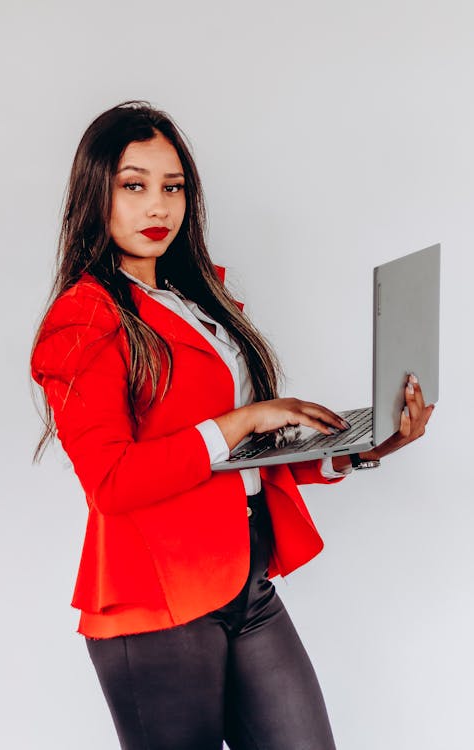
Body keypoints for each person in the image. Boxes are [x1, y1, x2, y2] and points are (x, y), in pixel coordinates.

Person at [30, 100, 434, 750]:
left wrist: (365, 445)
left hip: (245, 581)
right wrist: (241, 418)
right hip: (156, 603)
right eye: (134, 186)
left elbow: (241, 457)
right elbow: (111, 480)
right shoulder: (85, 319)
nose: (158, 206)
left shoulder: (198, 301)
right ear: (95, 192)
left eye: (174, 187)